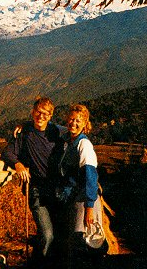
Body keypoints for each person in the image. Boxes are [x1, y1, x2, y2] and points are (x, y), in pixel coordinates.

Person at [0, 97, 64, 267]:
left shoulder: (57, 132)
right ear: (33, 112)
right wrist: (18, 164)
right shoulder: (25, 133)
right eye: (38, 112)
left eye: (45, 114)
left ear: (50, 116)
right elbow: (7, 153)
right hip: (37, 192)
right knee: (48, 234)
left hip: (57, 192)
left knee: (54, 236)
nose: (40, 116)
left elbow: (76, 132)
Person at [55, 104, 106, 268]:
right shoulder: (69, 137)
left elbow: (90, 177)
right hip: (75, 198)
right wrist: (26, 125)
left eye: (78, 120)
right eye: (71, 119)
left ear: (85, 123)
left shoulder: (83, 145)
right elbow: (49, 124)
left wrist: (89, 208)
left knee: (82, 241)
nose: (73, 123)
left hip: (84, 200)